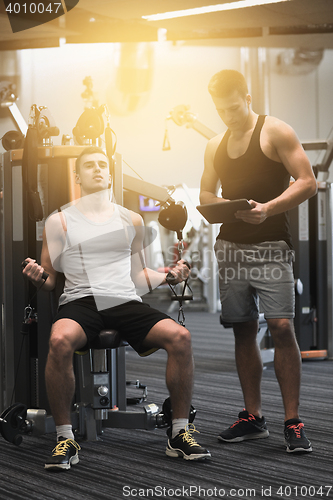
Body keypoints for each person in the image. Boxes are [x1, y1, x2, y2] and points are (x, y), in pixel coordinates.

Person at [23, 146, 210, 470]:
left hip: (123, 300)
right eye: (89, 166)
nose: (97, 169)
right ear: (78, 176)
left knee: (181, 337)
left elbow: (138, 275)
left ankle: (179, 432)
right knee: (58, 341)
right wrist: (39, 278)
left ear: (109, 175)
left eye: (102, 165)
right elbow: (51, 279)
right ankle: (65, 437)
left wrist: (169, 275)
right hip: (81, 300)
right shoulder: (60, 220)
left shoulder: (131, 219)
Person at [200, 70, 317, 453]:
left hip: (271, 246)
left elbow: (307, 181)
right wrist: (223, 208)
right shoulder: (215, 144)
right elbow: (205, 189)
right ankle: (253, 417)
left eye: (233, 108)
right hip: (230, 247)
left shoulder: (275, 131)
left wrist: (267, 209)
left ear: (247, 98)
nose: (228, 116)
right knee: (242, 329)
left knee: (281, 327)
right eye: (221, 110)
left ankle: (293, 421)